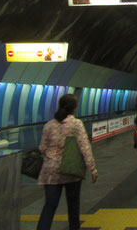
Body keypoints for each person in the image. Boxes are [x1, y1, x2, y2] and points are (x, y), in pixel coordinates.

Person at [37, 94, 98, 230]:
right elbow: (85, 148)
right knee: (73, 205)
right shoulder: (76, 125)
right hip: (71, 169)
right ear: (74, 109)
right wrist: (92, 169)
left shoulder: (49, 125)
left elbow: (42, 148)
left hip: (51, 171)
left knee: (50, 205)